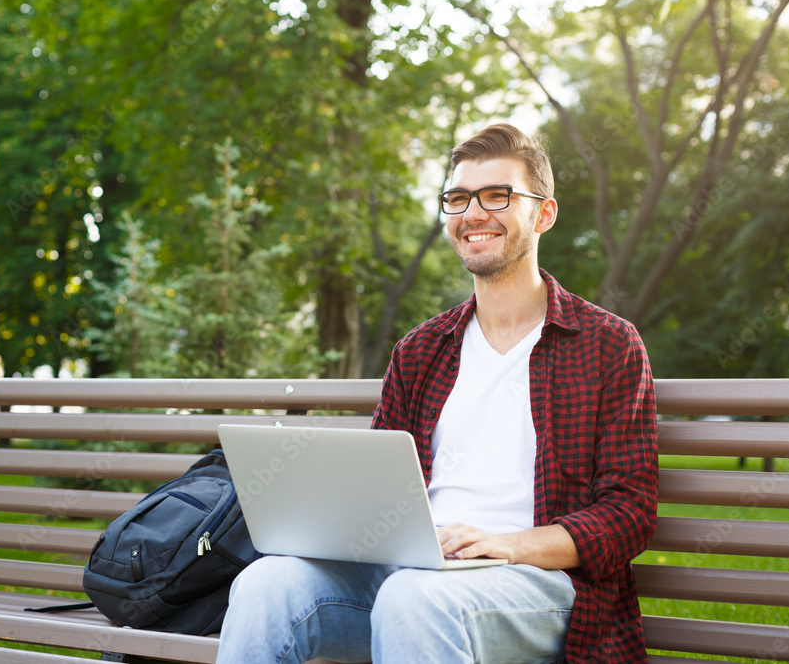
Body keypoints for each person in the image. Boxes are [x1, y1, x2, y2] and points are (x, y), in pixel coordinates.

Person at [215, 123, 658, 664]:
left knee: (414, 598)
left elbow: (630, 510)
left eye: (498, 196)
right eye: (458, 198)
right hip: (416, 573)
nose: (473, 214)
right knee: (268, 584)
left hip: (542, 585)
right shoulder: (421, 350)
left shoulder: (606, 344)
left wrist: (513, 545)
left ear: (543, 213)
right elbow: (374, 489)